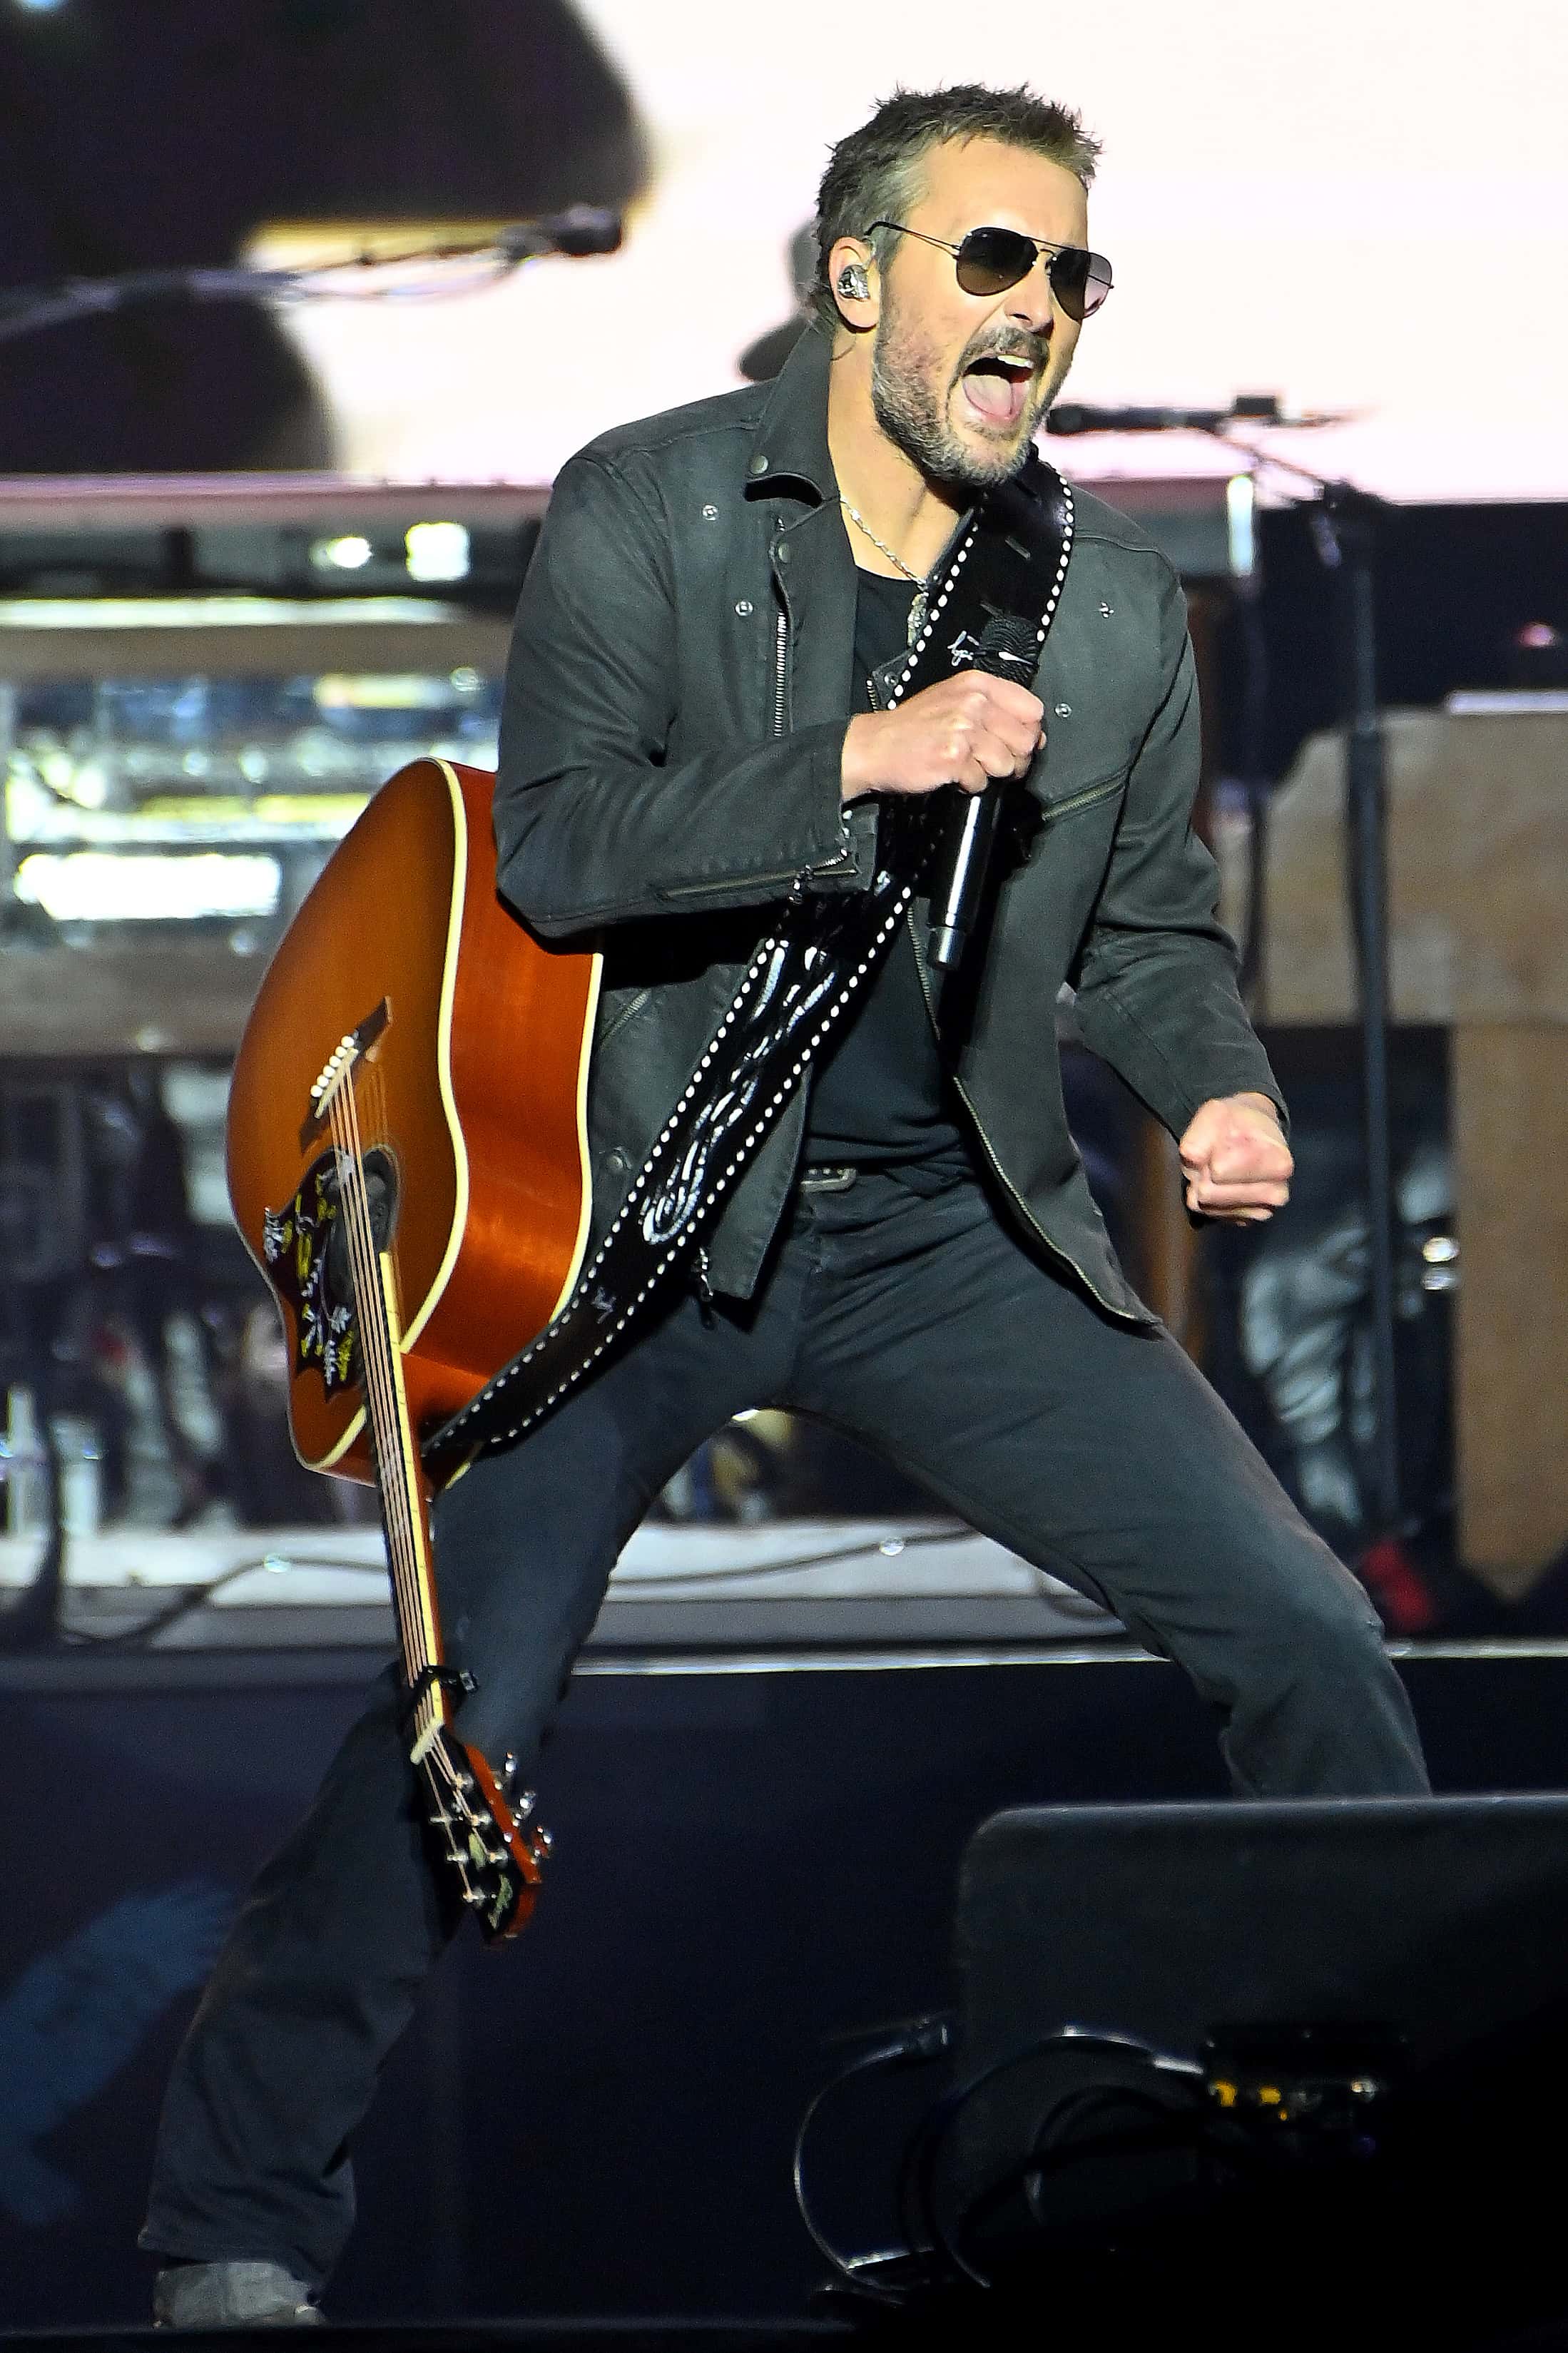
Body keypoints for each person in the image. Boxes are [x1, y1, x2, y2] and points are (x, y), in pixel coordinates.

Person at [142, 81, 1429, 2329]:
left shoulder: (1110, 606)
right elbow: (564, 847)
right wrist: (857, 756)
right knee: (468, 1711)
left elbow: (1146, 932)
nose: (1039, 308)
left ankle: (1397, 2166)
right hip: (641, 1225)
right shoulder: (647, 503)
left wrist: (1217, 1086)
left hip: (949, 1236)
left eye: (1073, 272)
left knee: (1311, 1636)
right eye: (992, 259)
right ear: (856, 279)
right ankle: (234, 2225)